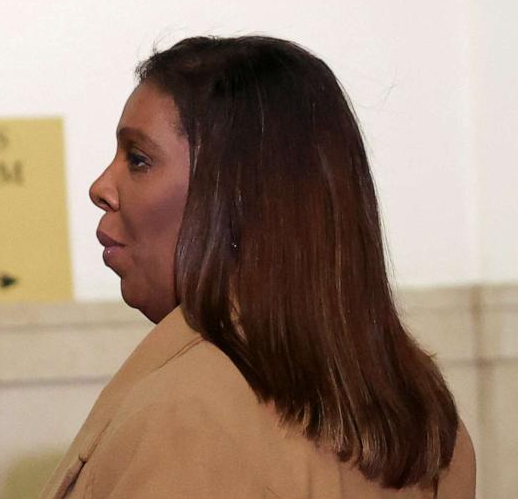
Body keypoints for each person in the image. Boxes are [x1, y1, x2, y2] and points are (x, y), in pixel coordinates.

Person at [40, 36, 476, 498]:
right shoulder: (429, 423)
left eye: (139, 159)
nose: (101, 187)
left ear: (239, 197)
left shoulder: (189, 416)